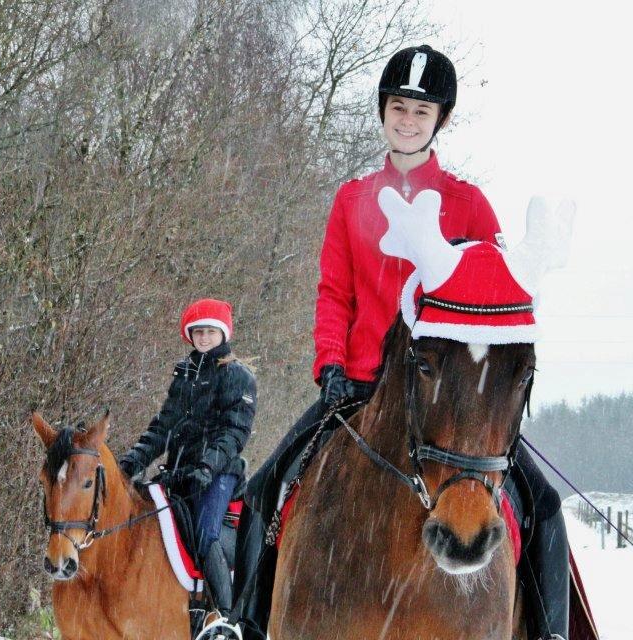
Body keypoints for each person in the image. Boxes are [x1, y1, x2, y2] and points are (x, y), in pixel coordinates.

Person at [230, 45, 569, 640]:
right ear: (383, 112)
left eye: (421, 111)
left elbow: (500, 302)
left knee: (544, 505)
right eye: (399, 108)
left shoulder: (469, 204)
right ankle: (242, 624)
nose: (407, 121)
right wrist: (331, 364)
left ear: (441, 120)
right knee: (263, 490)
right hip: (360, 385)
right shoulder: (351, 199)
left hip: (449, 400)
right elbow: (335, 292)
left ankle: (551, 632)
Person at [118, 298, 256, 630]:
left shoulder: (238, 376)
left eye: (210, 331)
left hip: (218, 473)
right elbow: (163, 427)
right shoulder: (185, 374)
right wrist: (132, 462)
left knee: (205, 534)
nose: (204, 338)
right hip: (180, 472)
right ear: (190, 336)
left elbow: (235, 431)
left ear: (222, 334)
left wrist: (208, 465)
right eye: (199, 332)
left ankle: (226, 619)